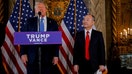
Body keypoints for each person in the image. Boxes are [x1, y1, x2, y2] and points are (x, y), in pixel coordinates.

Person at [20, 2, 60, 74]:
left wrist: (56, 55)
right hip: (32, 56)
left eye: (42, 8)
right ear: (35, 11)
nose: (40, 9)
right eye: (38, 8)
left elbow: (56, 42)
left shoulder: (53, 23)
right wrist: (23, 53)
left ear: (46, 10)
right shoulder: (29, 22)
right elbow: (23, 38)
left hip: (48, 57)